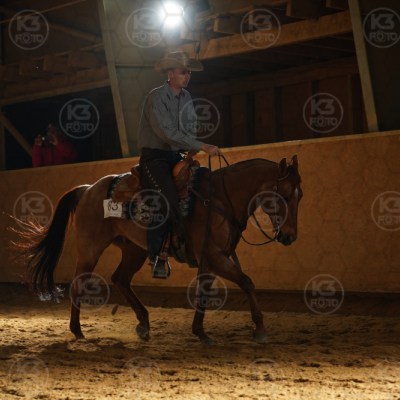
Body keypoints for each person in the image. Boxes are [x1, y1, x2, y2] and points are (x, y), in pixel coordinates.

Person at [137, 51, 220, 279]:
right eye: (183, 71)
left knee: (200, 187)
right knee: (168, 197)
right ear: (170, 73)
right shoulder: (156, 97)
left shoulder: (187, 97)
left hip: (174, 155)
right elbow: (166, 132)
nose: (187, 75)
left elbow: (190, 125)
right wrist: (201, 145)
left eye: (189, 72)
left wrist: (191, 145)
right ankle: (156, 256)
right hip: (154, 158)